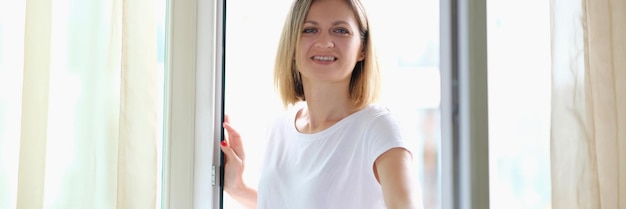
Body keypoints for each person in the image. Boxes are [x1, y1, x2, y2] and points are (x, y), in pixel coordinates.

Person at [220, 0, 423, 208]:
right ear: (291, 46)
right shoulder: (279, 129)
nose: (325, 42)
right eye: (309, 30)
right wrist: (238, 188)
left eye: (341, 30)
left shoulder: (378, 127)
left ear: (362, 48)